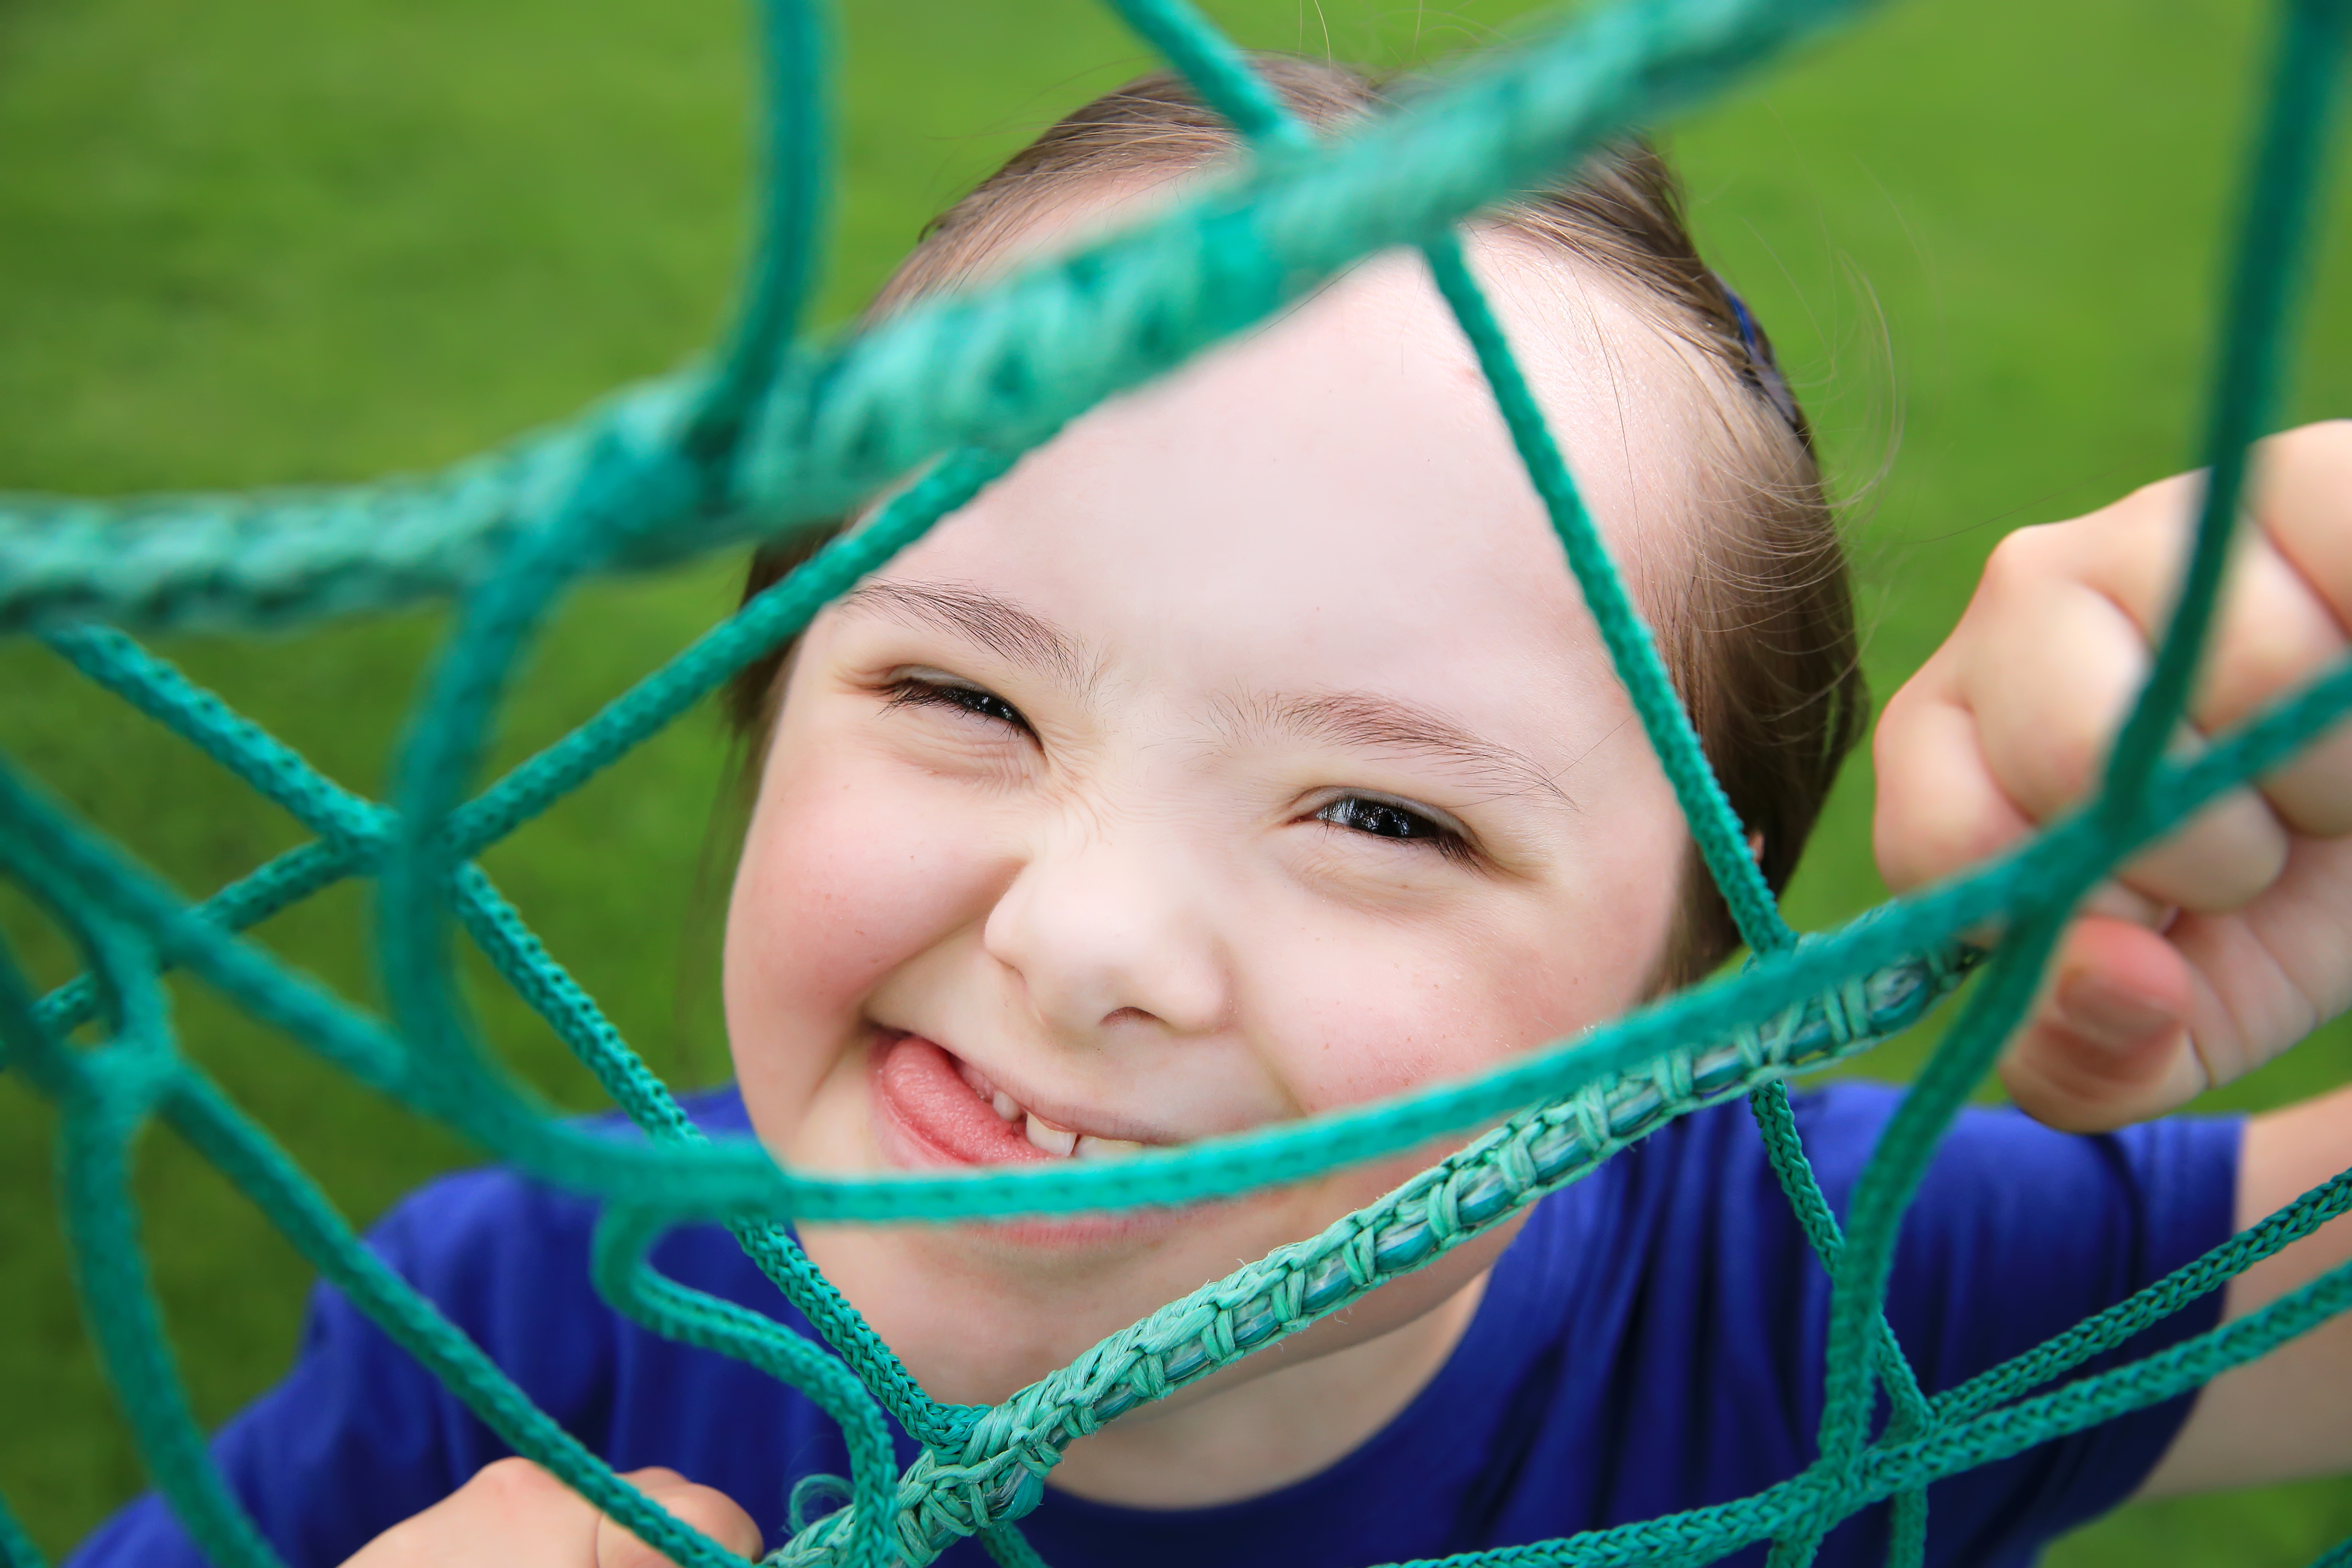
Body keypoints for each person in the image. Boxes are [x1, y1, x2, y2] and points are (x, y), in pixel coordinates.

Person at [70, 59, 2352, 1568]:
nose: (1083, 940)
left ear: (1694, 989)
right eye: (959, 692)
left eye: (1380, 816)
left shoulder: (1797, 1292)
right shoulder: (513, 1323)